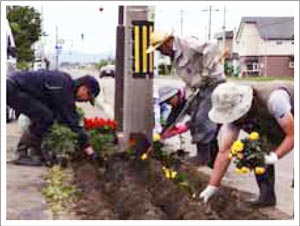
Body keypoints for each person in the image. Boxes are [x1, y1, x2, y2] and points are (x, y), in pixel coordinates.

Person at [199, 81, 294, 207]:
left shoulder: (275, 100)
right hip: (276, 123)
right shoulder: (233, 119)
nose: (234, 119)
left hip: (291, 119)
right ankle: (266, 197)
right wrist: (212, 186)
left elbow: (292, 135)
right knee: (256, 152)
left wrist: (275, 156)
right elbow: (225, 151)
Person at [147, 31, 227, 167]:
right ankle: (208, 159)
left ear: (167, 42)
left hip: (213, 82)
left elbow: (211, 47)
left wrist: (206, 71)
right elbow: (189, 79)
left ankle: (203, 157)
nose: (161, 52)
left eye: (160, 48)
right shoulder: (175, 59)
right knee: (194, 119)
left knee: (203, 118)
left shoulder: (187, 43)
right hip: (199, 87)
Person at [7, 70, 100, 166]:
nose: (86, 101)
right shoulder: (63, 87)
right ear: (84, 88)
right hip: (12, 87)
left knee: (46, 116)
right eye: (88, 97)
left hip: (13, 87)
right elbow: (71, 120)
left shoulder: (64, 85)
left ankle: (35, 151)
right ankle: (21, 154)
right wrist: (88, 148)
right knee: (45, 117)